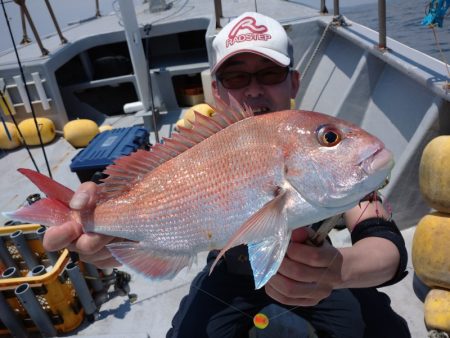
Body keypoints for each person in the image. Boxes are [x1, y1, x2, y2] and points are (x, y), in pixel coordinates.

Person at [43, 12, 410, 338]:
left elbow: (382, 241)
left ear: (293, 82)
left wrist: (339, 272)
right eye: (235, 77)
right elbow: (140, 209)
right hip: (228, 275)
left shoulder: (323, 153)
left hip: (321, 272)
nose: (253, 88)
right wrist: (111, 239)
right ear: (217, 91)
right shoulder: (196, 150)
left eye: (269, 73)